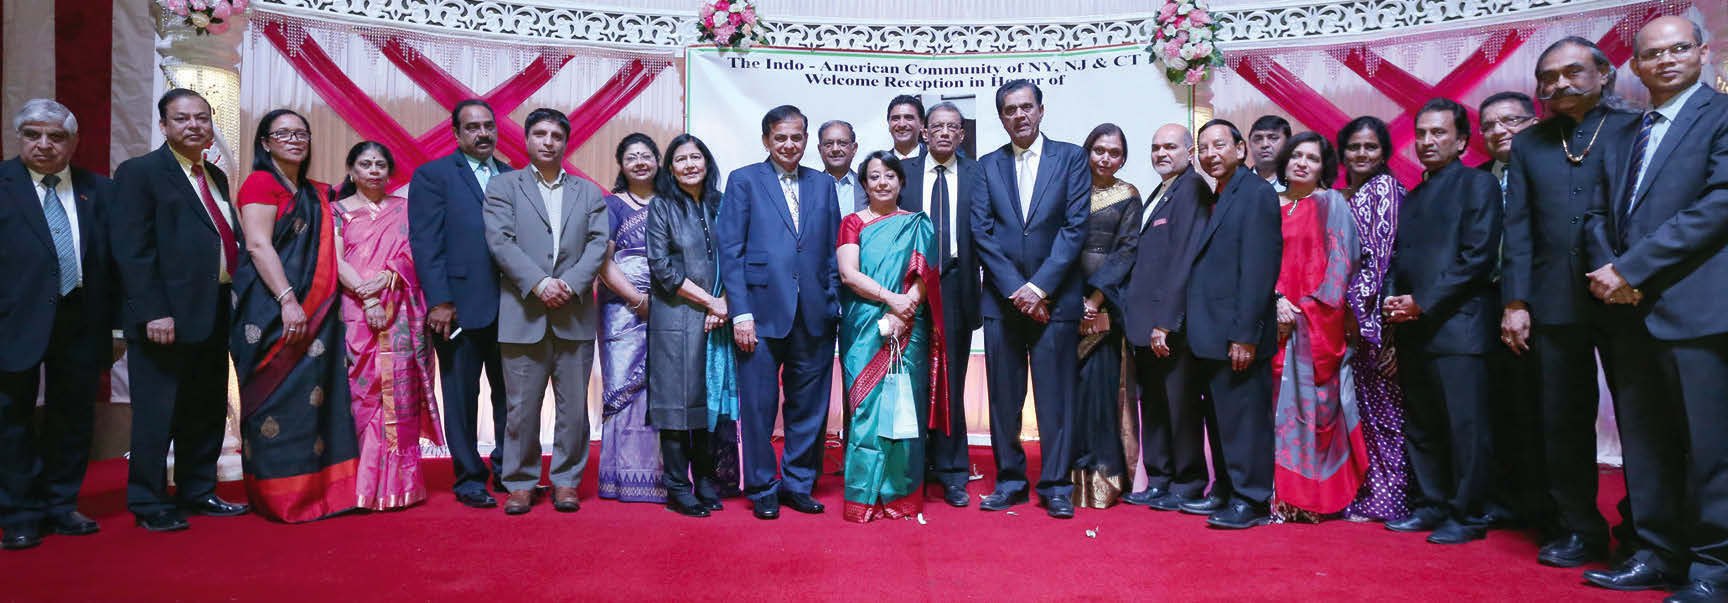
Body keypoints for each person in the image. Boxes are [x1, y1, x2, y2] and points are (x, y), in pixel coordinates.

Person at [1580, 17, 1723, 601]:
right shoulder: (1625, 132)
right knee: (1646, 443)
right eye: (1652, 54)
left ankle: (1714, 569)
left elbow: (1720, 202)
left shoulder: (1719, 117)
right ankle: (1657, 553)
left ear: (1703, 52)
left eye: (1679, 49)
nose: (1666, 60)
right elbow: (1591, 215)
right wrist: (1614, 275)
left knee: (1710, 448)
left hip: (1699, 311)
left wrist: (1632, 269)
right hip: (1628, 311)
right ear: (1634, 66)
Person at [1500, 37, 1650, 569]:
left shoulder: (1638, 129)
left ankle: (1646, 529)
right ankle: (1578, 528)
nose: (1558, 84)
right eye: (1548, 77)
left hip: (1625, 294)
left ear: (1605, 74)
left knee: (1642, 419)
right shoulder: (1530, 143)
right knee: (1562, 418)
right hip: (1550, 298)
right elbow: (1516, 228)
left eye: (1571, 72)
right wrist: (1515, 301)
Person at [112, 89, 251, 531]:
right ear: (164, 126)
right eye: (182, 119)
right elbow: (132, 249)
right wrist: (153, 310)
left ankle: (198, 489)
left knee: (205, 408)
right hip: (164, 318)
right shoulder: (140, 173)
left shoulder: (214, 175)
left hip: (213, 312)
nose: (194, 126)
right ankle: (149, 502)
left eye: (202, 118)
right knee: (159, 412)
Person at [1382, 98, 1503, 545]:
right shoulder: (1413, 195)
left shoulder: (1478, 186)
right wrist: (1395, 299)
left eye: (1439, 133)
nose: (1428, 142)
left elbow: (1478, 258)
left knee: (1466, 428)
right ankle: (1431, 505)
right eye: (1422, 134)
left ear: (1462, 141)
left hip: (1461, 326)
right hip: (1415, 326)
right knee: (1424, 424)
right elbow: (1403, 257)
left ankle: (1469, 514)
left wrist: (1422, 302)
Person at [228, 109, 358, 523]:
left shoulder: (315, 192)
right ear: (265, 142)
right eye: (283, 133)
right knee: (274, 403)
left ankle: (322, 494)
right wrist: (287, 300)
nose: (294, 139)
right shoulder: (260, 183)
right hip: (270, 309)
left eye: (301, 133)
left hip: (316, 312)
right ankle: (280, 497)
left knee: (316, 402)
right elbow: (258, 246)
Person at [715, 105, 843, 521]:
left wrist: (831, 299)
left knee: (809, 406)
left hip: (814, 313)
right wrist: (740, 313)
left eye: (797, 137)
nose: (790, 145)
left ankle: (798, 483)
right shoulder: (745, 181)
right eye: (781, 137)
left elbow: (829, 250)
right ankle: (763, 485)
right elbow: (729, 251)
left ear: (806, 140)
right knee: (758, 404)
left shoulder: (823, 185)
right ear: (766, 139)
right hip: (760, 312)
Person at [1093, 123, 1229, 513]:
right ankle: (1160, 479)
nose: (1161, 153)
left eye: (1170, 146)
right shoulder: (1162, 189)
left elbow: (1185, 260)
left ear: (1190, 152)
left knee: (1180, 406)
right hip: (1143, 322)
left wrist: (1167, 321)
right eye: (1155, 148)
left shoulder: (1192, 190)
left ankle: (1188, 482)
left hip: (1168, 325)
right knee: (1153, 405)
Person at [970, 79, 1089, 519]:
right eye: (1009, 110)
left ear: (1041, 110)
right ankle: (1011, 481)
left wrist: (1039, 288)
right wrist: (1015, 290)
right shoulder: (986, 166)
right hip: (1003, 303)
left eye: (1026, 107)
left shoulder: (1071, 157)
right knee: (1003, 398)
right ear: (1001, 117)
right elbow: (981, 231)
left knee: (1056, 397)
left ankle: (1056, 484)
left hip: (1055, 300)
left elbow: (1075, 227)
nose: (1019, 116)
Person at [483, 108, 610, 515]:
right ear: (526, 139)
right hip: (523, 312)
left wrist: (569, 285)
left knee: (574, 406)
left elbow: (598, 245)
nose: (548, 141)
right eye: (540, 133)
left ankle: (567, 481)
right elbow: (500, 242)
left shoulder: (588, 192)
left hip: (573, 313)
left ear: (565, 142)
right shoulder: (504, 187)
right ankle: (520, 482)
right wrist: (539, 284)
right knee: (521, 407)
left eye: (556, 135)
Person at [0, 100, 113, 549]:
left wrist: (119, 327)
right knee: (12, 420)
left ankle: (61, 504)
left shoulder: (100, 190)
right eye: (33, 134)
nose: (44, 144)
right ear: (19, 138)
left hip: (81, 318)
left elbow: (115, 264)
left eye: (56, 136)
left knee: (73, 418)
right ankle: (20, 513)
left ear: (73, 141)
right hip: (14, 320)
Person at [407, 99, 512, 510]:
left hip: (512, 306)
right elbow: (426, 242)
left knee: (511, 396)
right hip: (458, 307)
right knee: (461, 395)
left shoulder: (511, 176)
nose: (483, 133)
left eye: (488, 126)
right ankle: (469, 477)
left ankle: (508, 471)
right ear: (456, 134)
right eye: (473, 127)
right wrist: (440, 301)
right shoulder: (434, 176)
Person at [836, 150, 950, 523]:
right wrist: (891, 300)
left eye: (889, 176)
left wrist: (906, 310)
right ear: (864, 184)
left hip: (910, 326)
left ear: (901, 182)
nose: (882, 183)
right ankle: (864, 496)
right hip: (864, 324)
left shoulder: (918, 223)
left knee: (904, 408)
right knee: (866, 408)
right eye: (873, 177)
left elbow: (926, 276)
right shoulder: (852, 223)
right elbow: (849, 274)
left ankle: (900, 495)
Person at [331, 141, 443, 512]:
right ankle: (358, 487)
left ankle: (400, 485)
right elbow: (333, 260)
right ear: (351, 171)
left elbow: (418, 252)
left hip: (401, 310)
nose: (374, 170)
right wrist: (367, 297)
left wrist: (385, 278)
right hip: (354, 311)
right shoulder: (335, 212)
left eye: (381, 164)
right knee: (361, 394)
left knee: (398, 395)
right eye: (366, 164)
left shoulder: (406, 210)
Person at [1181, 119, 1282, 529]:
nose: (1210, 154)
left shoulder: (1255, 194)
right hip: (1211, 335)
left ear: (1241, 150)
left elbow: (1258, 271)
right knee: (1222, 420)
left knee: (1245, 421)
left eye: (1219, 145)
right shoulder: (1219, 195)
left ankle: (1252, 499)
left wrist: (1246, 334)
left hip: (1239, 335)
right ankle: (1225, 488)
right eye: (1204, 148)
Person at [1267, 132, 1365, 521]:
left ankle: (1310, 500)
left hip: (1311, 325)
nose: (1302, 163)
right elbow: (1256, 259)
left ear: (1325, 166)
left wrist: (1306, 310)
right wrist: (1274, 301)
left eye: (1312, 157)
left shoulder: (1331, 204)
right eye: (1296, 156)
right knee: (1271, 409)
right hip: (1270, 319)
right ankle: (1278, 496)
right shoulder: (1267, 204)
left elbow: (1342, 263)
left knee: (1316, 412)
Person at [898, 102, 980, 507]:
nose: (945, 133)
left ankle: (951, 473)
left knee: (950, 381)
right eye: (937, 127)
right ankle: (911, 469)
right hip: (909, 289)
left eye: (953, 127)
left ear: (961, 135)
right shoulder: (904, 175)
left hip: (955, 286)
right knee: (908, 380)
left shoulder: (978, 174)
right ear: (924, 133)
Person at [646, 133, 729, 518]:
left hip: (717, 319)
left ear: (707, 163)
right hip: (676, 318)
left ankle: (707, 481)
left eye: (697, 156)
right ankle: (678, 489)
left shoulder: (720, 203)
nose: (690, 164)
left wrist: (724, 301)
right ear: (670, 168)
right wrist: (710, 300)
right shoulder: (662, 206)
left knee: (709, 405)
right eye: (681, 159)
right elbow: (662, 268)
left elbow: (736, 255)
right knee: (677, 406)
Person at [1336, 116, 1411, 522]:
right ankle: (1374, 491)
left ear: (1384, 152)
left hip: (1375, 323)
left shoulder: (1383, 190)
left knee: (1385, 416)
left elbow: (1379, 265)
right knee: (1365, 413)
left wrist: (1371, 326)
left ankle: (1390, 498)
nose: (1361, 154)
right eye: (1354, 147)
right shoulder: (1352, 193)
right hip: (1355, 322)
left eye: (1370, 147)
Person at [1476, 90, 1543, 533]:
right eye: (1489, 125)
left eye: (1511, 121)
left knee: (1544, 409)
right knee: (1496, 405)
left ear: (1534, 122)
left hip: (1543, 306)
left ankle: (1546, 508)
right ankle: (1503, 498)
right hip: (1484, 305)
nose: (1500, 131)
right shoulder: (1477, 179)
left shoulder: (1554, 169)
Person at [1068, 123, 1139, 508]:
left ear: (1123, 158)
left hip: (1104, 306)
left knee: (1100, 392)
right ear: (1087, 151)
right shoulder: (1071, 190)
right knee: (1071, 395)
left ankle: (1103, 478)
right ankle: (1070, 474)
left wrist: (1094, 299)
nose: (1105, 158)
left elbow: (1127, 251)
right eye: (1099, 150)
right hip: (1065, 303)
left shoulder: (1128, 195)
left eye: (1114, 152)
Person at [595, 132, 668, 504]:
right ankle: (621, 478)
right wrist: (638, 299)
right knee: (623, 389)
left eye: (646, 155)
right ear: (621, 165)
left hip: (670, 308)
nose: (640, 162)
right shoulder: (610, 205)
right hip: (620, 310)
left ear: (658, 160)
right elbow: (603, 261)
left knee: (664, 389)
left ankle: (662, 476)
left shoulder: (673, 202)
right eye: (631, 157)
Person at [817, 120, 866, 214]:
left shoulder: (868, 188)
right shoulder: (809, 188)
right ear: (820, 149)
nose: (835, 149)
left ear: (854, 148)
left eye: (842, 143)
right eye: (828, 144)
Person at [1249, 115, 1291, 192]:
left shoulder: (1298, 185)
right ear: (1249, 144)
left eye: (1273, 138)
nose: (1265, 144)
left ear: (1288, 144)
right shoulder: (1236, 184)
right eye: (1258, 139)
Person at [886, 94, 925, 160]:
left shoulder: (936, 161)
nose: (902, 124)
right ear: (889, 124)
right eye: (896, 118)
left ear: (922, 124)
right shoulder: (878, 164)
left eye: (909, 118)